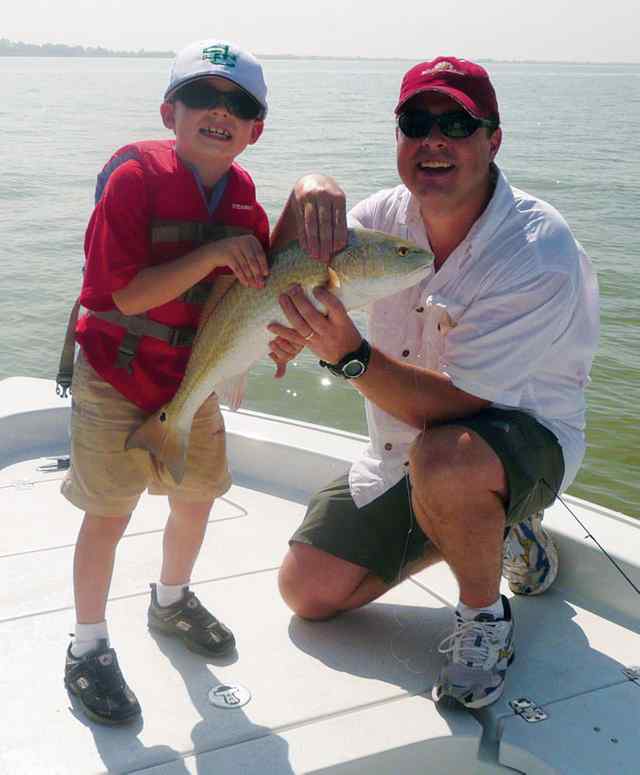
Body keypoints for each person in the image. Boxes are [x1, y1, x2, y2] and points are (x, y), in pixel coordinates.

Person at [268, 56, 600, 709]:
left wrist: (349, 355)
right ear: (397, 137)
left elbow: (459, 404)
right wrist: (305, 190)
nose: (434, 140)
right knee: (307, 591)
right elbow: (282, 267)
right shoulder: (380, 220)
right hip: (403, 450)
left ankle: (484, 616)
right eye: (416, 123)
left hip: (521, 441)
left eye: (457, 124)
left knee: (449, 457)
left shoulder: (537, 251)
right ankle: (489, 529)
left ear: (493, 140)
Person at [61, 38, 289, 725]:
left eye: (238, 105)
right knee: (109, 514)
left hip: (192, 376)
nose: (220, 112)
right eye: (201, 97)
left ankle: (171, 600)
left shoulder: (246, 202)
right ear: (170, 112)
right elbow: (127, 295)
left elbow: (246, 302)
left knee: (196, 498)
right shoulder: (134, 179)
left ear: (255, 130)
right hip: (116, 374)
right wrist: (215, 252)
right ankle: (87, 645)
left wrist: (283, 338)